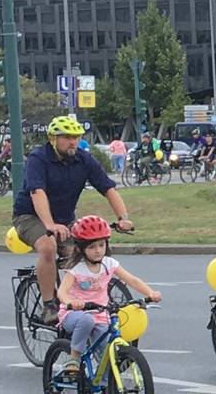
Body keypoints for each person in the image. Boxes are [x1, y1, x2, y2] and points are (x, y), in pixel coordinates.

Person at [15, 114, 133, 316]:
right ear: (53, 138)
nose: (73, 141)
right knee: (48, 247)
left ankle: (83, 301)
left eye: (76, 137)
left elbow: (108, 188)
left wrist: (123, 218)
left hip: (65, 219)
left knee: (86, 253)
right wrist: (50, 225)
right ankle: (49, 304)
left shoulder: (83, 159)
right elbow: (37, 192)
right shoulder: (39, 158)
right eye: (67, 137)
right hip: (30, 216)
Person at [55, 215, 160, 356]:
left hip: (100, 313)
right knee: (86, 321)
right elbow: (61, 292)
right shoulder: (76, 269)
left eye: (101, 245)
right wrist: (71, 303)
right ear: (80, 249)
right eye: (92, 247)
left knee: (106, 352)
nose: (98, 250)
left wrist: (150, 292)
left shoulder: (109, 264)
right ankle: (74, 358)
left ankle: (104, 378)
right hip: (74, 313)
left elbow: (132, 280)